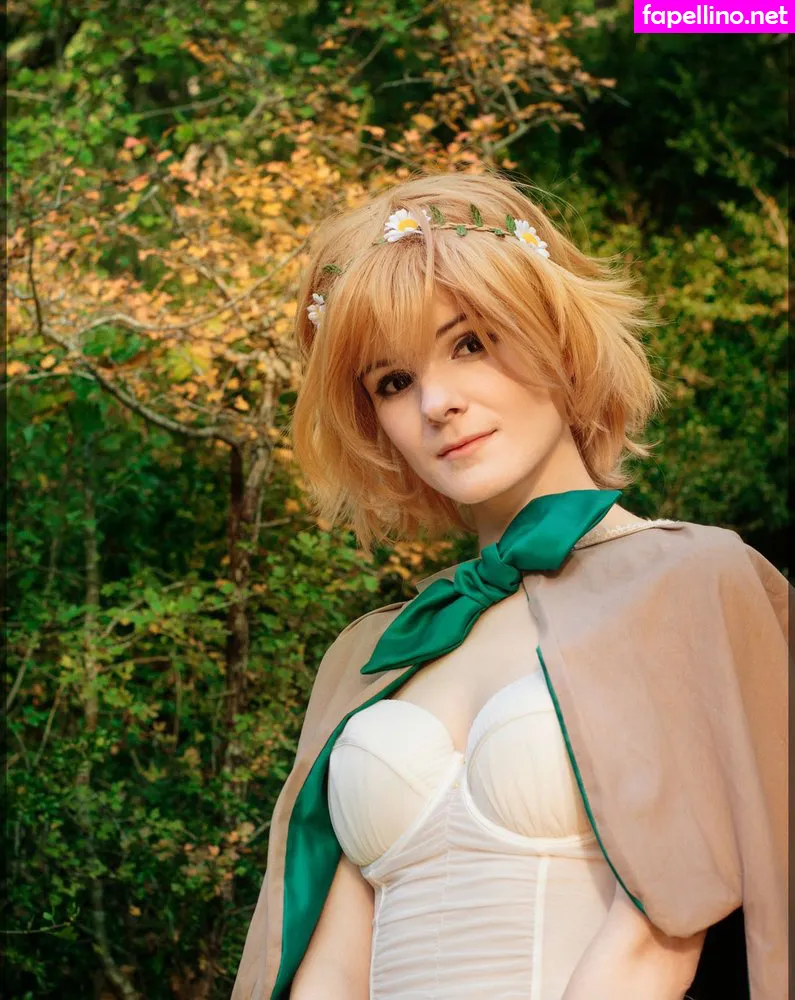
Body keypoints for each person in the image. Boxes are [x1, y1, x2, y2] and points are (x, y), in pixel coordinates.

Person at [232, 171, 789, 1000]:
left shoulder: (694, 578)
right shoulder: (371, 653)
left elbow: (662, 932)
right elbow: (331, 962)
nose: (437, 403)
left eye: (468, 343)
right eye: (392, 382)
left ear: (556, 337)